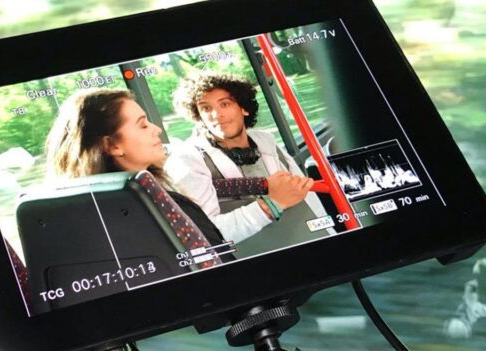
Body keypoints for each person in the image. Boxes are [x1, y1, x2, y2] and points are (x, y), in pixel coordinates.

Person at [165, 71, 332, 250]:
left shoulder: (267, 143)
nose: (216, 114)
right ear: (198, 116)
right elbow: (205, 234)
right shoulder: (188, 160)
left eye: (225, 104)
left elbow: (309, 197)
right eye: (206, 108)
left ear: (244, 108)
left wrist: (330, 232)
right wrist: (271, 204)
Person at [44, 89, 230, 249]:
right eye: (143, 125)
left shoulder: (70, 221)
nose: (157, 129)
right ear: (112, 145)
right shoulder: (169, 209)